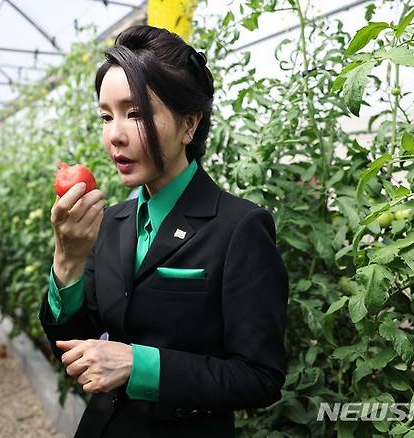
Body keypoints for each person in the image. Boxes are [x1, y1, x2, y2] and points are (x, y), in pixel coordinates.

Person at [39, 25, 289, 438]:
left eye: (135, 113)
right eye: (106, 116)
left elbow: (260, 376)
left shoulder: (238, 228)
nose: (114, 134)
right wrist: (67, 260)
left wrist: (140, 366)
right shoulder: (112, 221)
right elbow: (75, 351)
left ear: (189, 124)